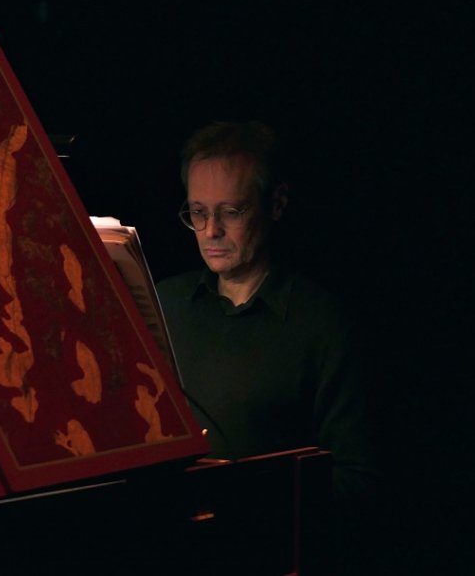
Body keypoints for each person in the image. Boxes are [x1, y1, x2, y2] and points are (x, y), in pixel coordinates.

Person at [155, 121, 379, 504]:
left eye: (231, 212)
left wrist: (252, 498)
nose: (210, 231)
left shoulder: (323, 322)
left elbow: (357, 478)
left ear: (275, 204)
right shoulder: (165, 302)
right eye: (197, 212)